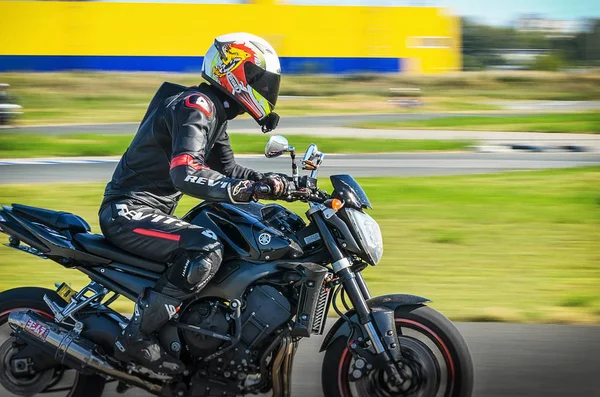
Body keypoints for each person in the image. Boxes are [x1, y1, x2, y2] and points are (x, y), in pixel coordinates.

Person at [98, 33, 288, 374]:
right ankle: (136, 338)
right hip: (128, 211)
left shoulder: (214, 112)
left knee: (230, 233)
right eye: (260, 79)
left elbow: (228, 171)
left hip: (149, 212)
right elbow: (186, 171)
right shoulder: (196, 105)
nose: (266, 89)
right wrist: (239, 187)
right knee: (205, 247)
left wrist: (278, 185)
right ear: (234, 72)